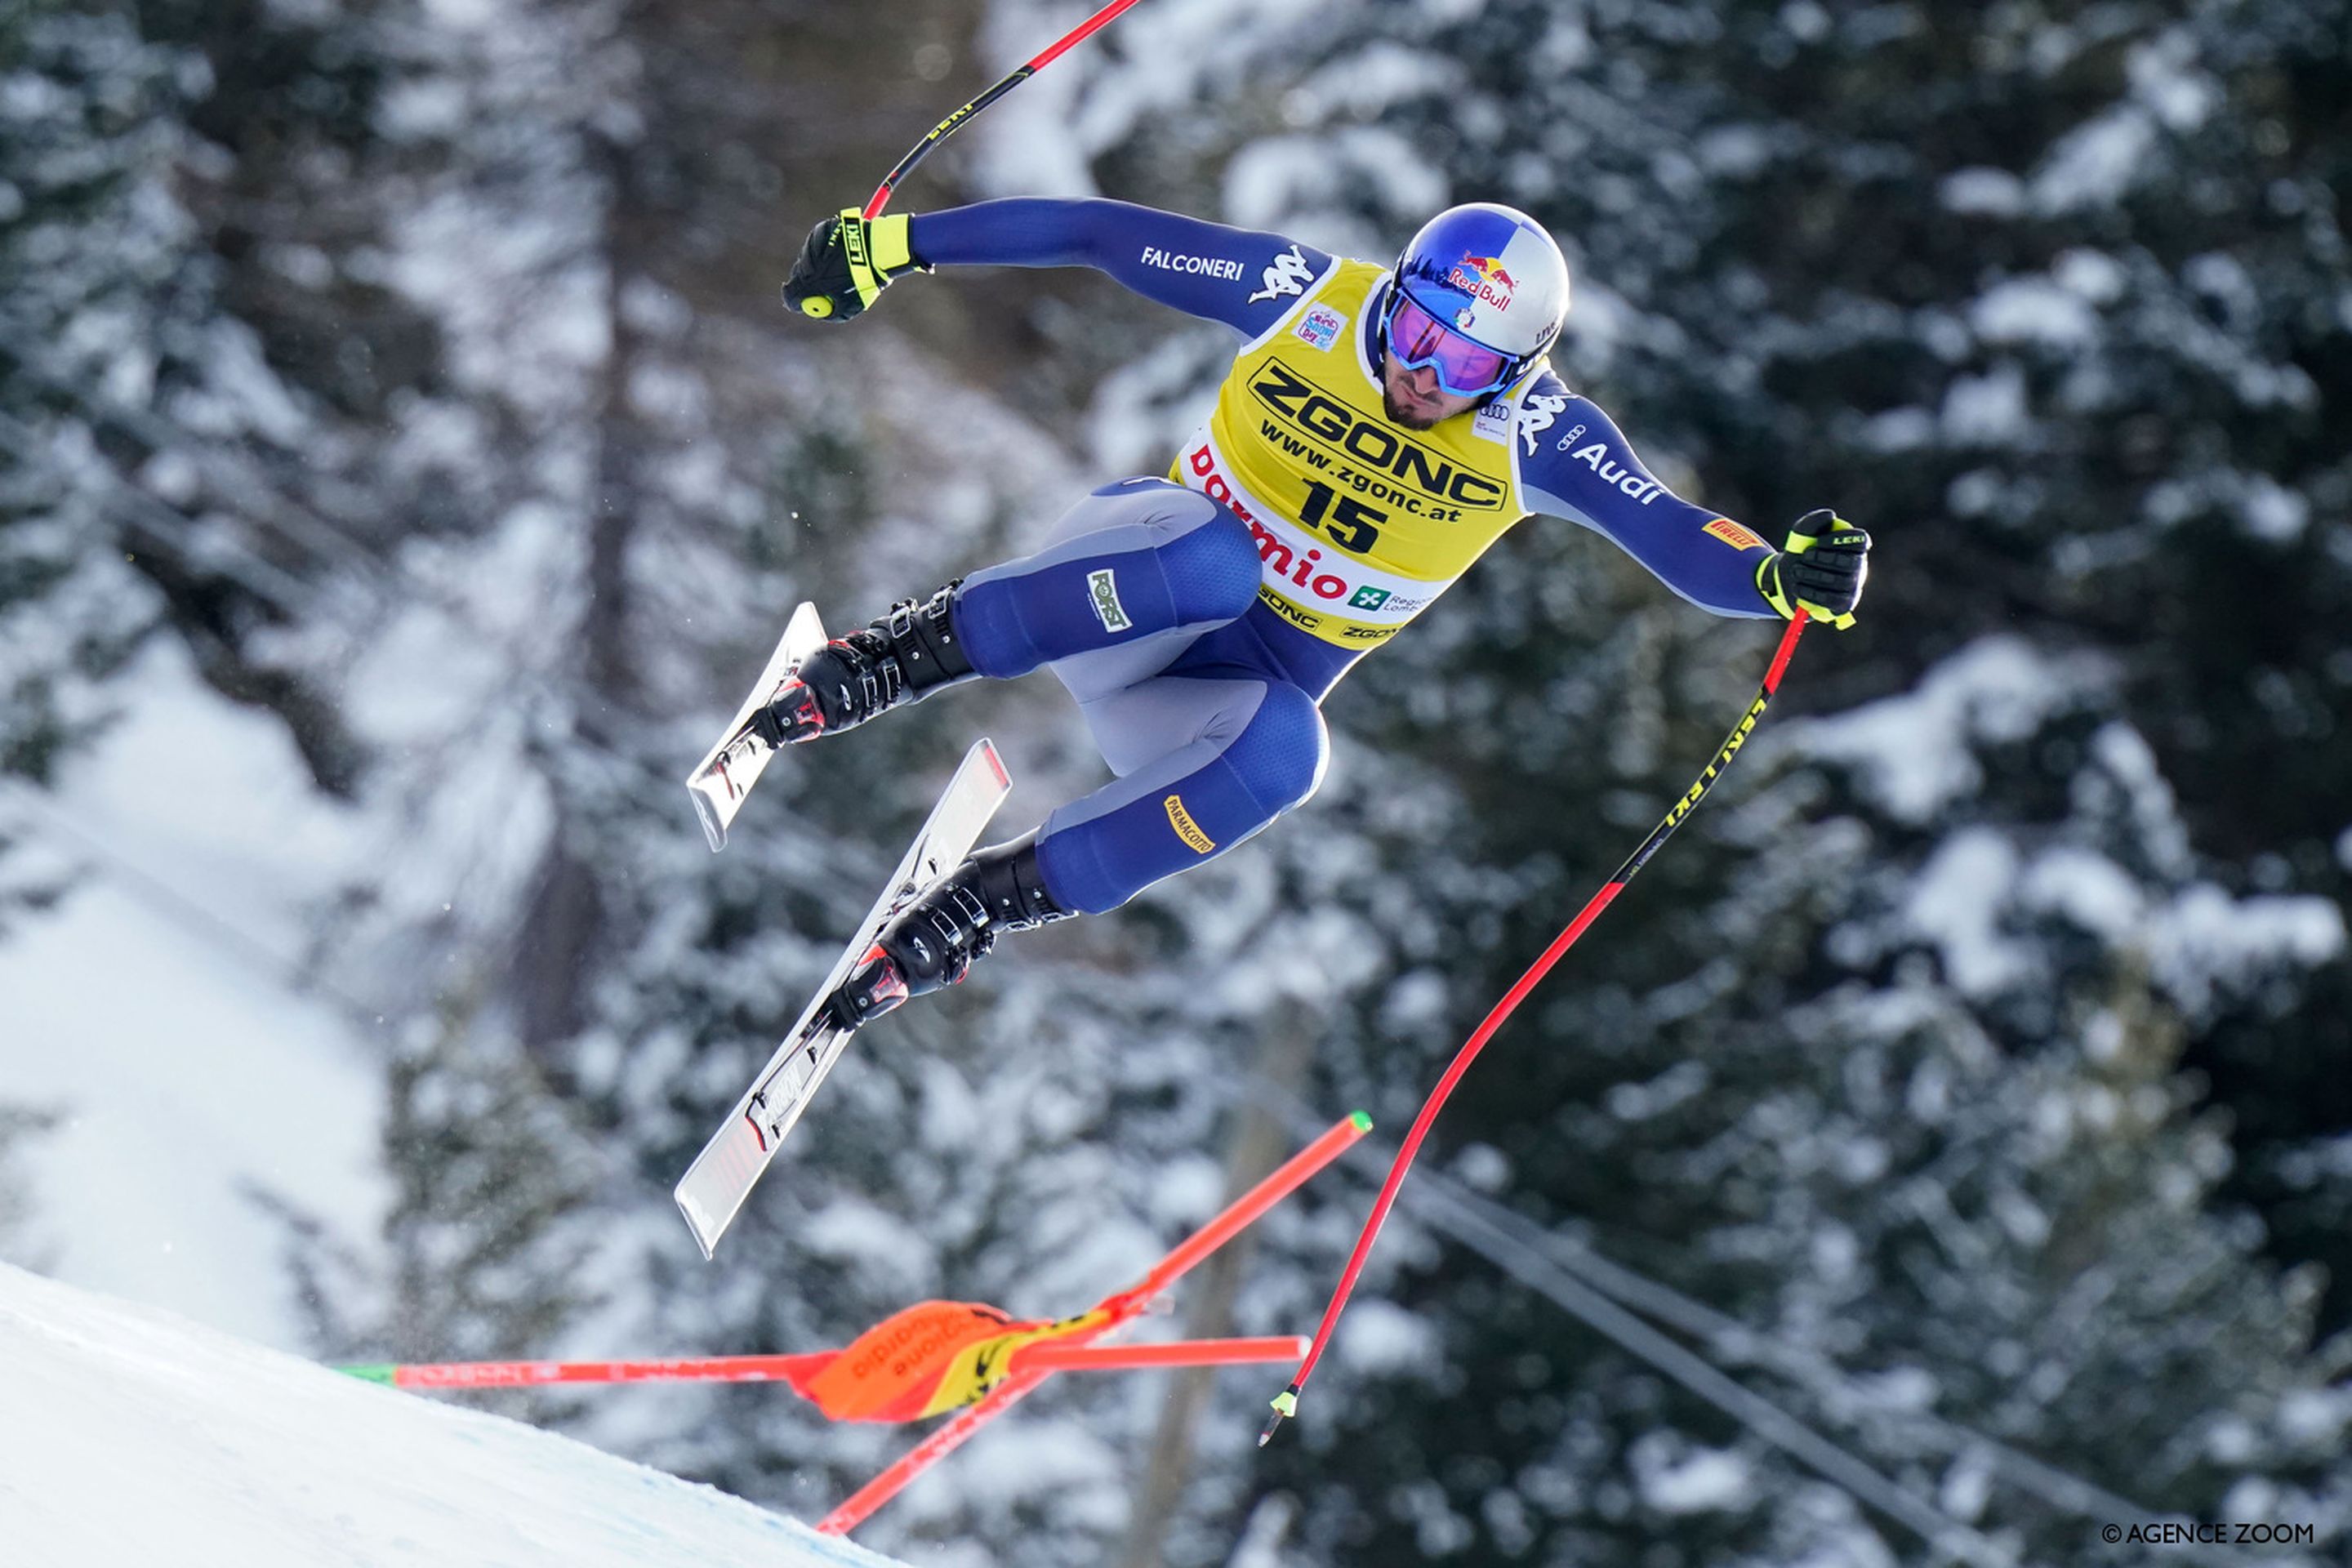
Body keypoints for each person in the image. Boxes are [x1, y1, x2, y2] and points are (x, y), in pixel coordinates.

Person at [764, 198, 1871, 1031]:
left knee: (1291, 753)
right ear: (1393, 292)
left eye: (1470, 361)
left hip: (1193, 699)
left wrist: (1777, 576)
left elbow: (1673, 531)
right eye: (1421, 330)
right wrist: (899, 244)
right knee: (1217, 563)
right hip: (1130, 587)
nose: (1425, 374)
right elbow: (1105, 236)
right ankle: (891, 660)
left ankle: (982, 907)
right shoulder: (1308, 295)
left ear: (1518, 373)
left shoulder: (1538, 436)